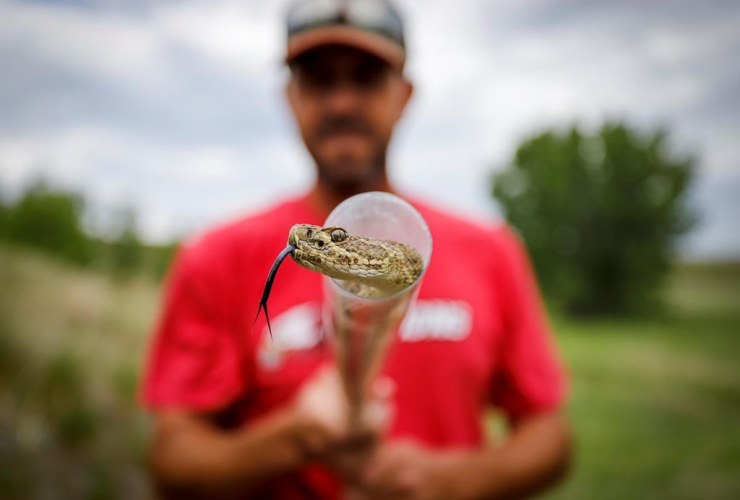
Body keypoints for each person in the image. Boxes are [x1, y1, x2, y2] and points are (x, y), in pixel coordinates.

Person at [142, 0, 571, 498]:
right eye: (319, 80)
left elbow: (550, 436)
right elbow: (169, 461)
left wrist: (451, 480)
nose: (342, 102)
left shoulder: (491, 251)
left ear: (404, 95)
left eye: (366, 77)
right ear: (291, 96)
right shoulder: (216, 255)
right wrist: (294, 437)